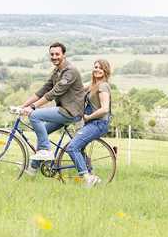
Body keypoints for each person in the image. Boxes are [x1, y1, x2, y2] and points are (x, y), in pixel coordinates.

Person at [21, 42, 85, 175]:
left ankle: (46, 151)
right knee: (42, 131)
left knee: (35, 116)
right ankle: (33, 169)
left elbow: (53, 93)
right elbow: (43, 90)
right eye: (52, 54)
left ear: (64, 55)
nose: (54, 56)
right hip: (63, 110)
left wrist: (33, 108)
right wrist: (23, 106)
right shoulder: (57, 71)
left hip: (70, 112)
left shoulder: (70, 71)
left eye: (57, 54)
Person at [65, 59, 112, 187]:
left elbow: (105, 109)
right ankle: (91, 175)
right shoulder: (93, 85)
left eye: (100, 68)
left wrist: (88, 117)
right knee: (78, 148)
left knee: (72, 147)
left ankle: (87, 178)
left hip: (98, 123)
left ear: (105, 71)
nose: (97, 69)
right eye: (95, 67)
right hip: (92, 123)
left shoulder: (103, 86)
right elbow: (78, 89)